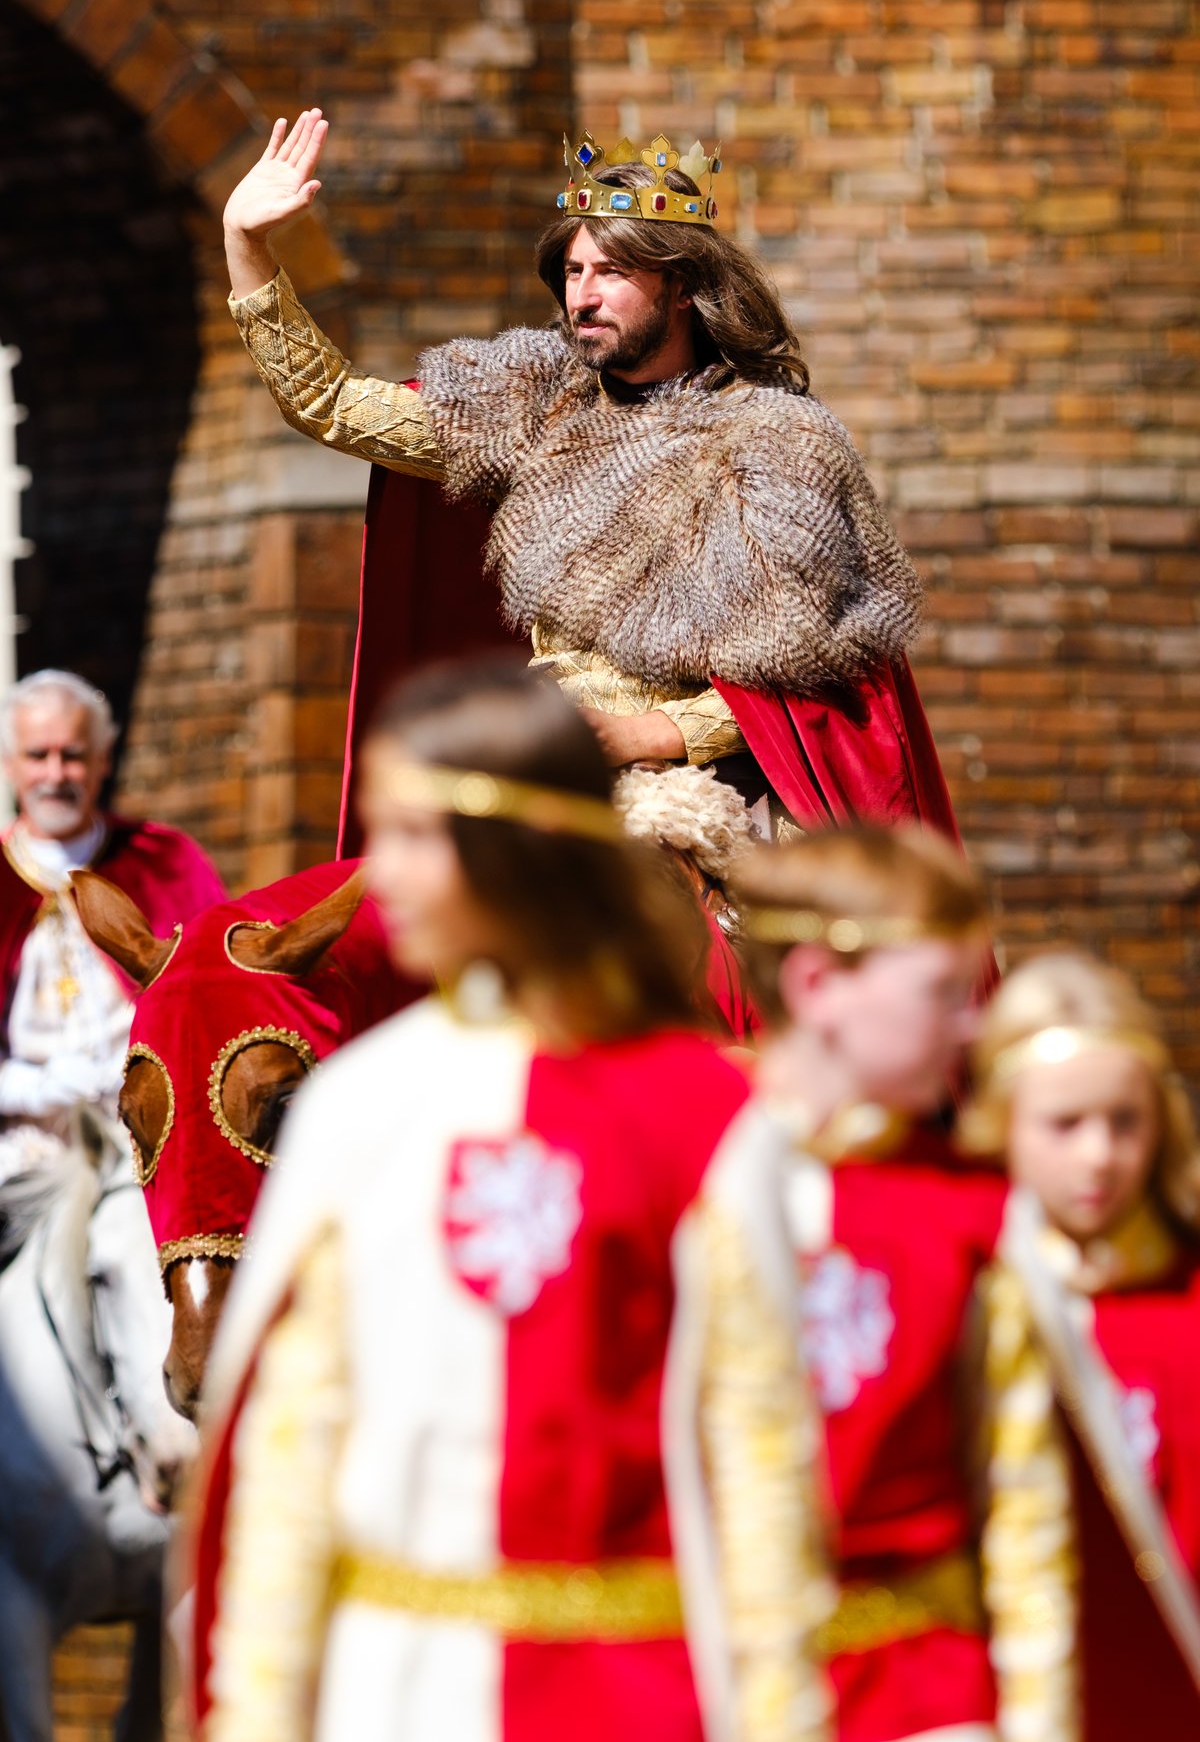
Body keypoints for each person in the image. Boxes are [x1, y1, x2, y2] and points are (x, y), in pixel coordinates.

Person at [186, 658, 834, 1742]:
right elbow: (284, 1464)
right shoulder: (360, 1110)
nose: (373, 880)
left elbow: (766, 1466)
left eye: (413, 835)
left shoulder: (708, 1121)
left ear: (523, 842)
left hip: (655, 1696)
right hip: (400, 1696)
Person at [219, 112, 963, 905]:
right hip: (547, 776)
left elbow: (813, 680)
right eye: (572, 273)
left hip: (708, 804)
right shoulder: (530, 406)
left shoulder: (777, 441)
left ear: (681, 285)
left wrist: (649, 736)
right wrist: (247, 245)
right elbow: (329, 405)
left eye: (609, 272)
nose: (582, 296)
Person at [726, 827, 1079, 1742]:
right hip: (713, 1684)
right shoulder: (687, 1172)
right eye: (942, 994)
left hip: (927, 1694)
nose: (972, 1025)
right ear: (817, 988)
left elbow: (1020, 1487)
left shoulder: (974, 1208)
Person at [962, 950, 1200, 1737]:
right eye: (1064, 1125)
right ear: (1003, 1121)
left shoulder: (1188, 1292)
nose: (1098, 1155)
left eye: (1124, 1122)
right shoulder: (966, 1296)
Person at [0, 670, 225, 1184]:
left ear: (103, 759)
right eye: (38, 756)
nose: (56, 774)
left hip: (148, 1135)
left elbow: (212, 1002)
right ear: (10, 765)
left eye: (73, 755)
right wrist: (38, 1087)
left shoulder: (165, 860)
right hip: (24, 1146)